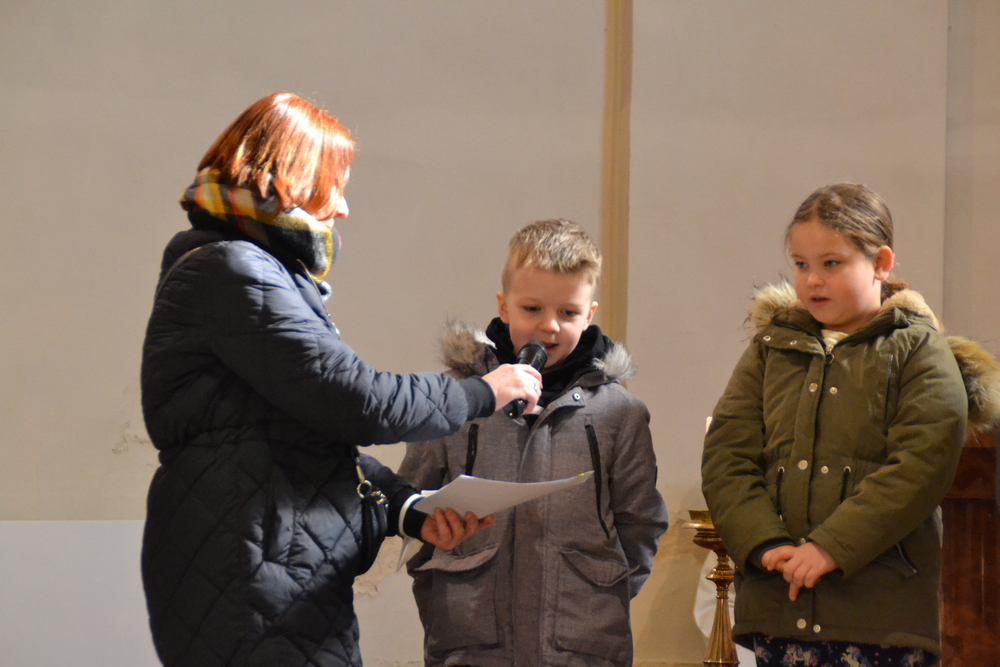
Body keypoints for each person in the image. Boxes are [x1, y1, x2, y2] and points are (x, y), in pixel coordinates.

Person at [140, 92, 542, 667]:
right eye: (335, 184)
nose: (344, 207)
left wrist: (410, 509)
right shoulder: (233, 270)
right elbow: (358, 401)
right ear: (291, 177)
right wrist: (485, 390)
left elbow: (308, 443)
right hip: (249, 580)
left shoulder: (257, 271)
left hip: (274, 573)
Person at [701, 183, 1000, 666]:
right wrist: (765, 543)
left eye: (831, 263)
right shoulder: (772, 348)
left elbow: (921, 465)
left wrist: (830, 548)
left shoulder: (918, 350)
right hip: (781, 605)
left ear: (881, 263)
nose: (812, 280)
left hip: (880, 613)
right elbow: (727, 455)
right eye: (801, 264)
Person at [397, 219, 669, 667]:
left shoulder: (619, 412)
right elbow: (412, 503)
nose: (550, 326)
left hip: (583, 644)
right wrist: (440, 593)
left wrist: (599, 597)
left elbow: (640, 523)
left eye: (568, 313)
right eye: (532, 309)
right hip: (470, 639)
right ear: (503, 307)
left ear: (590, 314)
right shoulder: (456, 400)